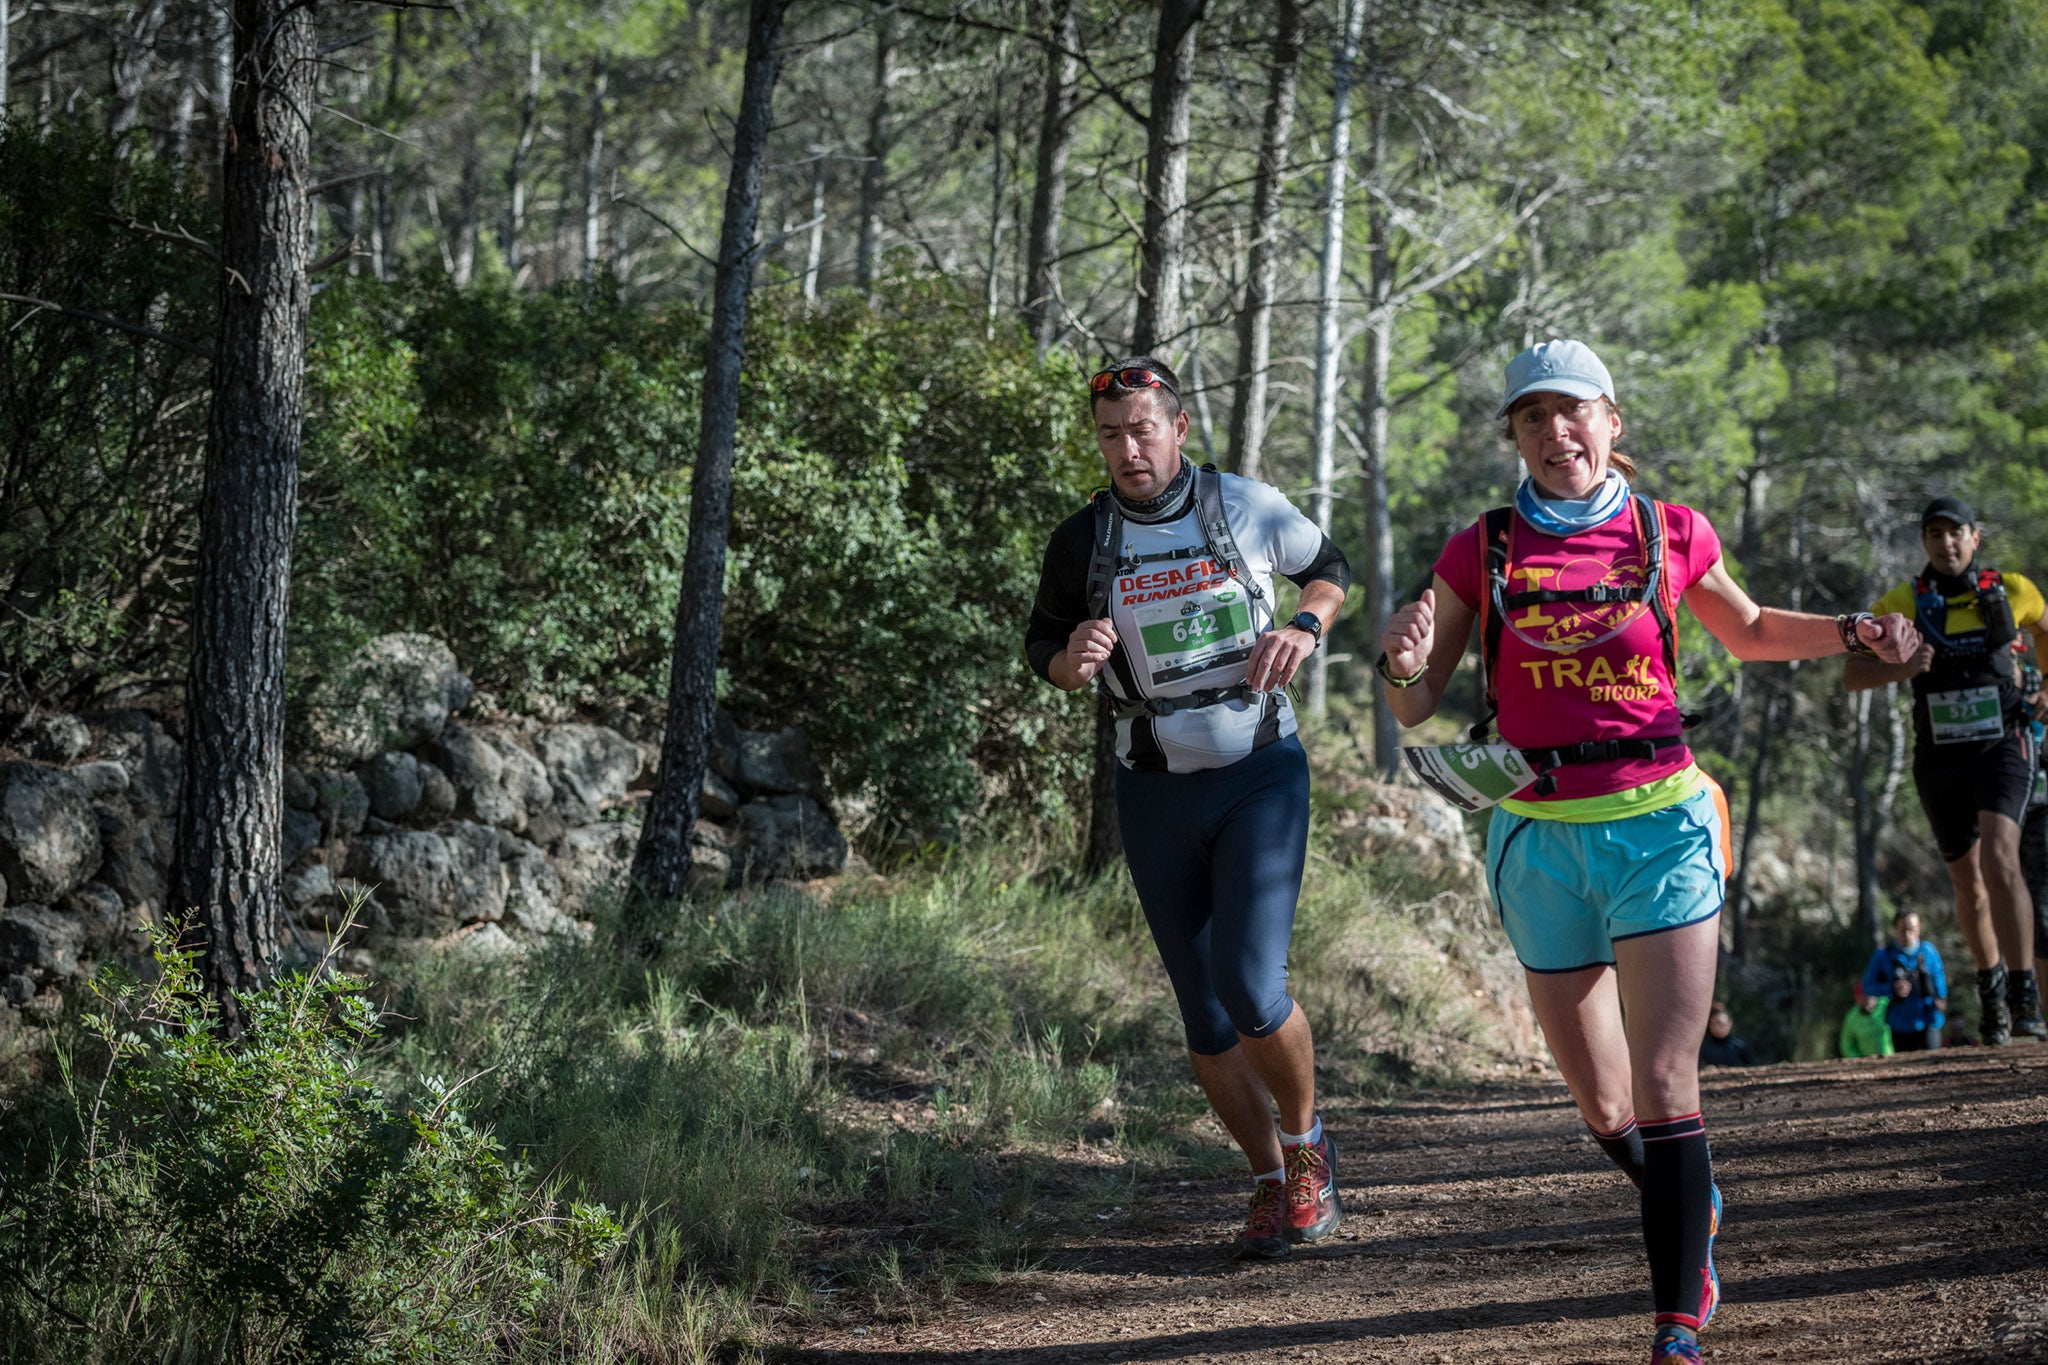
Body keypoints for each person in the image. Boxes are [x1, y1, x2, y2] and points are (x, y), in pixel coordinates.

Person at [1377, 339, 1921, 1364]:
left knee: (1669, 1082)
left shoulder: (1668, 531)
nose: (1554, 433)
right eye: (1531, 418)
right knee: (1600, 1101)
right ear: (1514, 436)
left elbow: (1751, 632)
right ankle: (1690, 1196)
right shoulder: (1481, 549)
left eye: (1571, 411)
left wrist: (1853, 630)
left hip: (1659, 823)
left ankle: (1675, 1320)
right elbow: (1418, 699)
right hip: (1537, 841)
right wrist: (1397, 662)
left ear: (1611, 422)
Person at [1025, 356, 1351, 1259]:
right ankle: (1265, 1177)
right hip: (1153, 784)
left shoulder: (1244, 504)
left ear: (1176, 427)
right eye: (1109, 436)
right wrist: (1071, 659)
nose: (1127, 450)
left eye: (1142, 430)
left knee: (1251, 985)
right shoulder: (1083, 539)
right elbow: (1041, 643)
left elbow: (1329, 569)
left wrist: (1304, 624)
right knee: (1204, 1017)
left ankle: (1307, 1142)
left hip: (1258, 769)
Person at [1843, 497, 2048, 1044]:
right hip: (1940, 756)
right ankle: (1992, 993)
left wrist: (2047, 685)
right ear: (1924, 543)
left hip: (2003, 745)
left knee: (2003, 859)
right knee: (1969, 882)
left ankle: (2025, 994)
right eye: (1934, 534)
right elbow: (1852, 673)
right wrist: (1903, 666)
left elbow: (2046, 629)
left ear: (1975, 538)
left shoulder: (2012, 590)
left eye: (1955, 533)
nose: (1945, 544)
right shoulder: (1904, 601)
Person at [1861, 910, 1947, 1052]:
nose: (1908, 935)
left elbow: (1939, 977)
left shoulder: (1929, 951)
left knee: (1932, 1065)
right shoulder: (1883, 956)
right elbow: (1868, 986)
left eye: (1912, 930)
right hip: (1899, 1024)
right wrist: (1891, 988)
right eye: (1903, 930)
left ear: (1919, 928)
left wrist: (1941, 998)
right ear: (1895, 929)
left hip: (1928, 1019)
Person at [1839, 988, 1895, 1058]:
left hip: (1891, 1057)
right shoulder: (1852, 1016)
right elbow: (1846, 1045)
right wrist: (1858, 1058)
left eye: (1868, 996)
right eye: (1861, 998)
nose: (1866, 1000)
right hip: (1866, 1061)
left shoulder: (1887, 1005)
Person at [1697, 1001, 1756, 1067]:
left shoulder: (1739, 1046)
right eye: (1715, 1023)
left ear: (1729, 1024)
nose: (1718, 1027)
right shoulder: (1703, 1046)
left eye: (1721, 1024)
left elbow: (1752, 1066)